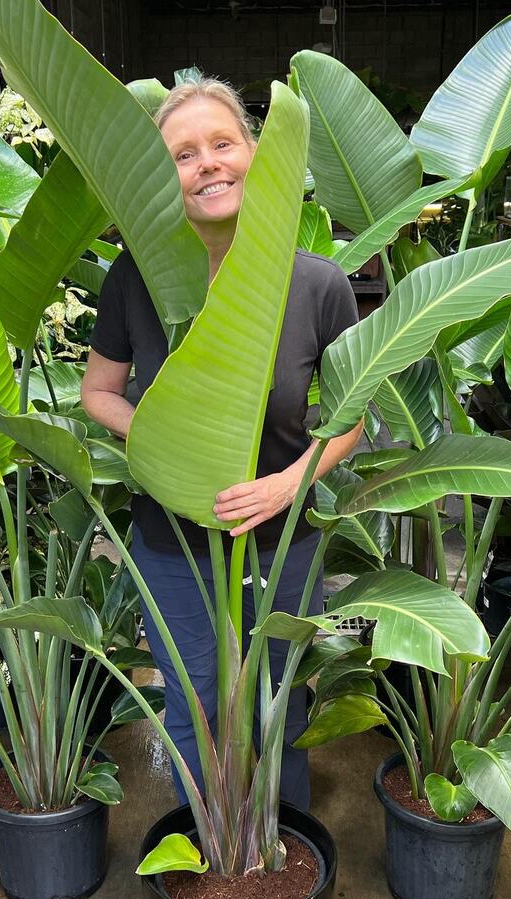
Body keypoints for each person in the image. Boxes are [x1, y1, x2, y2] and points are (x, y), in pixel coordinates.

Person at [81, 77, 363, 810]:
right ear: (161, 180)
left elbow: (351, 417)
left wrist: (286, 484)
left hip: (281, 535)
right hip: (170, 537)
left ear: (255, 155)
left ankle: (278, 841)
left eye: (221, 144)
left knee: (279, 700)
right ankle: (208, 848)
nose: (206, 164)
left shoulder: (319, 286)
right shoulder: (137, 280)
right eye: (182, 155)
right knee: (194, 700)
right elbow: (97, 393)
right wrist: (167, 434)